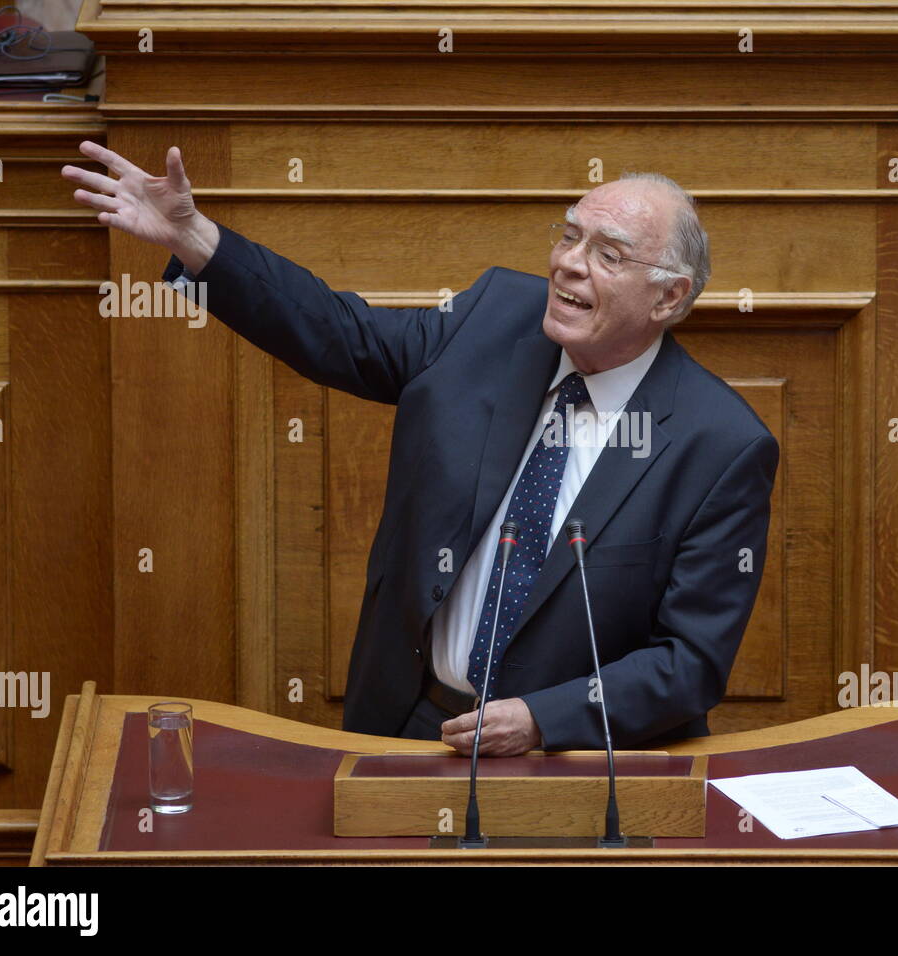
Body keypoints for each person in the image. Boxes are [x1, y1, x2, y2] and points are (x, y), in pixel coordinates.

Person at [62, 142, 779, 756]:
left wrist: (543, 720)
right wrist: (199, 243)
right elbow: (346, 335)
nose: (568, 264)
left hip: (579, 764)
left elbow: (689, 662)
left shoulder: (720, 444)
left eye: (608, 253)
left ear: (668, 297)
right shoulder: (495, 318)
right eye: (569, 236)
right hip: (409, 724)